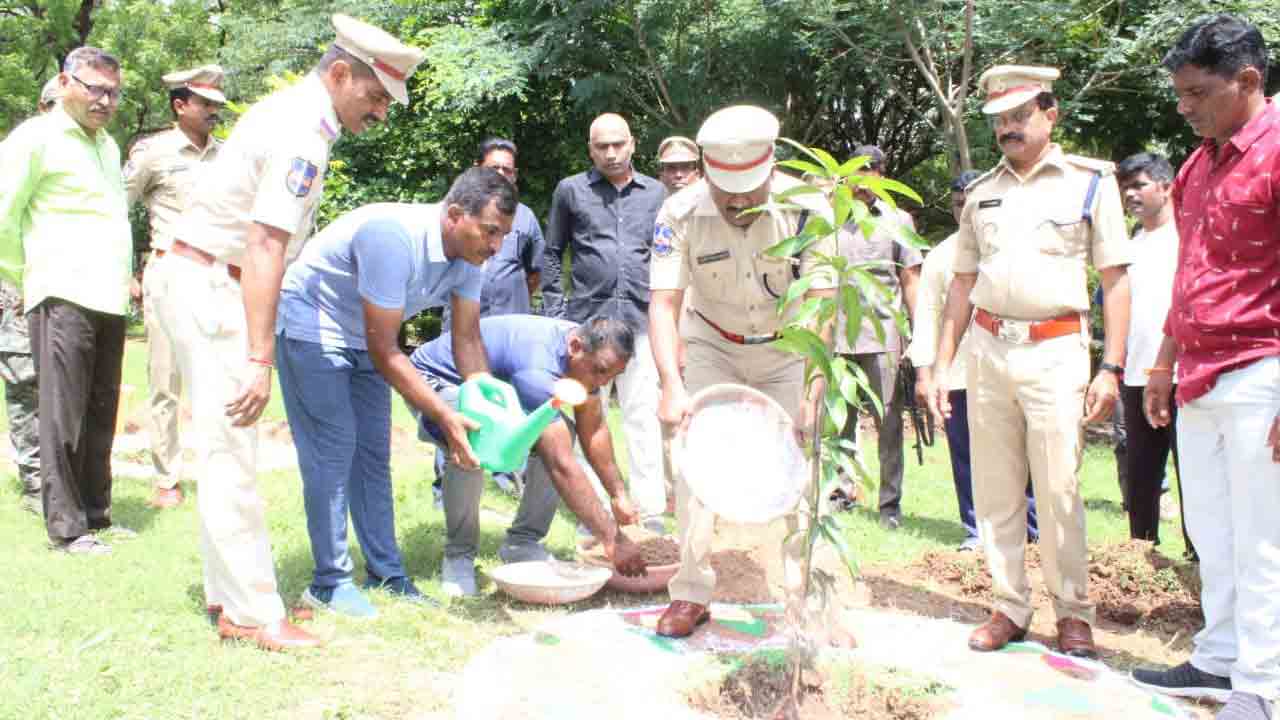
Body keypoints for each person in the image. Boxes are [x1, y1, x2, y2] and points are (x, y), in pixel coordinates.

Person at [158, 14, 425, 651]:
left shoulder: (296, 115)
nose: (382, 113)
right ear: (339, 74)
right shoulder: (302, 130)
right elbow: (266, 243)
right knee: (232, 456)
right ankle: (252, 614)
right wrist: (259, 356)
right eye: (377, 96)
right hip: (214, 284)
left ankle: (232, 599)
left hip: (207, 276)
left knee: (227, 452)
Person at [930, 65, 1132, 659]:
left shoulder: (1090, 183)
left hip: (1056, 349)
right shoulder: (983, 192)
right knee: (995, 488)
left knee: (1060, 485)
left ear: (1051, 113)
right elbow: (962, 285)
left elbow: (1116, 281)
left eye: (1020, 116)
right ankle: (1009, 605)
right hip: (989, 350)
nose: (1008, 129)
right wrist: (943, 365)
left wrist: (1111, 367)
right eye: (999, 120)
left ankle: (1073, 612)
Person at [1131, 15, 1280, 720]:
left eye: (1197, 92)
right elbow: (1192, 272)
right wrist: (1163, 362)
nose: (1184, 107)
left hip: (1263, 369)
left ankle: (1264, 687)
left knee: (1264, 540)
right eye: (1179, 94)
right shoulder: (1201, 160)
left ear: (1248, 81)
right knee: (1213, 533)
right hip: (1198, 372)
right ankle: (1219, 661)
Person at [277, 168, 511, 617]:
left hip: (365, 335)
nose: (496, 245)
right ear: (455, 215)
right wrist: (445, 415)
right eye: (490, 232)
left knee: (372, 454)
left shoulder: (470, 257)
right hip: (314, 324)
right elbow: (386, 351)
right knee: (334, 449)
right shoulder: (392, 237)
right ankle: (328, 582)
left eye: (503, 234)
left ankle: (386, 572)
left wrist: (487, 403)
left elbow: (466, 340)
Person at [648, 104, 837, 638]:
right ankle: (690, 592)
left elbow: (823, 302)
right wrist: (671, 385)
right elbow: (664, 303)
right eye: (725, 188)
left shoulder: (808, 208)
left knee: (800, 465)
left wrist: (813, 390)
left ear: (771, 165)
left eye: (749, 190)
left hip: (789, 347)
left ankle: (804, 598)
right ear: (705, 170)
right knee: (692, 464)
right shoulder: (680, 213)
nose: (736, 201)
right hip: (712, 342)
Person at [0, 47, 133, 555]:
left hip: (108, 294)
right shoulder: (35, 138)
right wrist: (20, 278)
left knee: (102, 409)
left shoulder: (107, 145)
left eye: (114, 92)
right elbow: (5, 214)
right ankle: (66, 527)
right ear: (64, 82)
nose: (105, 100)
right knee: (64, 412)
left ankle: (96, 513)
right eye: (95, 88)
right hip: (61, 290)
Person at [410, 314, 647, 596]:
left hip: (493, 385)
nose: (602, 382)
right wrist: (612, 537)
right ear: (574, 347)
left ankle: (521, 543)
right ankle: (458, 556)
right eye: (600, 371)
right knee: (475, 441)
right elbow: (561, 465)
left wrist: (618, 494)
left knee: (564, 433)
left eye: (611, 376)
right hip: (436, 378)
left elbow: (593, 428)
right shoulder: (538, 367)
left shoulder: (586, 356)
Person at [542, 113, 668, 532]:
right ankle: (591, 510)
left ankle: (649, 512)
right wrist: (556, 316)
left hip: (640, 324)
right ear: (589, 149)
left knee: (643, 417)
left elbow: (668, 258)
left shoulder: (657, 194)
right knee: (584, 418)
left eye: (618, 144)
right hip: (587, 328)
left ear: (633, 144)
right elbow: (552, 251)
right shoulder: (571, 191)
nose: (611, 153)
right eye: (601, 146)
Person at [910, 171, 1039, 551]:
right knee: (966, 456)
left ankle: (1032, 530)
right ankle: (977, 531)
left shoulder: (1014, 245)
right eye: (956, 202)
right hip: (960, 374)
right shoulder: (939, 257)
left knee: (1022, 454)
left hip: (1013, 369)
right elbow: (928, 318)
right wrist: (925, 373)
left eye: (971, 201)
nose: (964, 209)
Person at [124, 64, 226, 510]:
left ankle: (219, 472)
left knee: (219, 381)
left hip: (218, 280)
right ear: (180, 105)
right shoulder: (153, 153)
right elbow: (116, 207)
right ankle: (167, 479)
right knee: (165, 384)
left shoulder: (229, 156)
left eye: (217, 105)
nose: (213, 111)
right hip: (167, 275)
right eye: (205, 103)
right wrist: (123, 271)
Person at [434, 138, 545, 499]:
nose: (502, 174)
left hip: (507, 325)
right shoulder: (454, 217)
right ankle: (446, 483)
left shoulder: (525, 218)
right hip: (463, 325)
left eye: (508, 170)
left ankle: (505, 474)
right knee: (457, 399)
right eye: (493, 168)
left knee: (501, 402)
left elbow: (536, 272)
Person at [834, 144, 921, 529]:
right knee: (838, 423)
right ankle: (840, 495)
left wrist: (919, 336)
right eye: (856, 170)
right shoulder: (829, 218)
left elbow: (911, 279)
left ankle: (890, 506)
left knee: (888, 423)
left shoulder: (898, 219)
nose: (863, 178)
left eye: (871, 170)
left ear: (882, 175)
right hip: (836, 336)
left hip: (883, 335)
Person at [1113, 152, 1192, 554]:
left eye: (1139, 184)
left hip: (1185, 377)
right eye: (1125, 186)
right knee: (1140, 473)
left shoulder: (1189, 238)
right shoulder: (1129, 245)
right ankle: (1141, 555)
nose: (1130, 194)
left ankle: (1199, 561)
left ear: (1166, 186)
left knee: (1194, 476)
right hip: (1135, 378)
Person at [0, 76, 60, 516]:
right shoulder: (23, 148)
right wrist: (15, 282)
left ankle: (59, 480)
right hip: (16, 288)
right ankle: (36, 483)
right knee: (25, 382)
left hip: (57, 287)